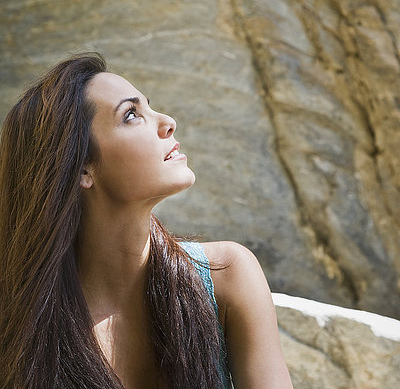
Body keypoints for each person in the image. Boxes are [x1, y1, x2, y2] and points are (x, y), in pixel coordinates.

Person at [0, 53, 293, 389]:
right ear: (81, 168)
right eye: (132, 115)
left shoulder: (226, 277)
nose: (167, 122)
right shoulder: (21, 329)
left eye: (149, 107)